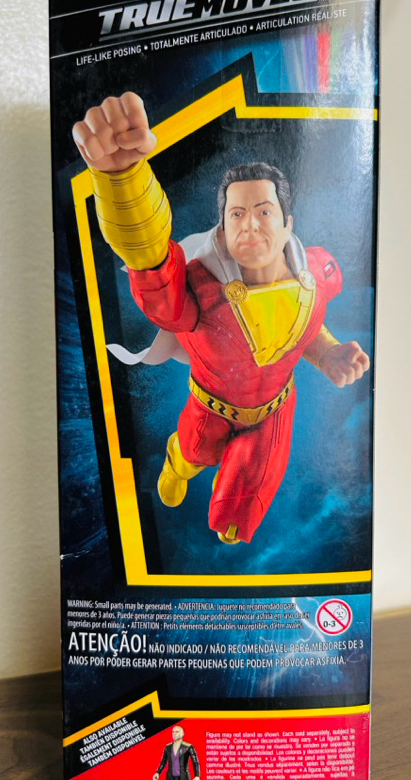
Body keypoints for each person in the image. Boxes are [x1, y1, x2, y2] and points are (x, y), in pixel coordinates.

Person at [73, 92, 370, 545]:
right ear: (223, 229)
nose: (250, 224)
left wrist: (329, 353)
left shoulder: (316, 275)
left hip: (273, 410)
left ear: (288, 224)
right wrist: (124, 182)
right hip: (209, 405)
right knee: (193, 452)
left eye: (264, 212)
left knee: (242, 502)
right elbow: (152, 266)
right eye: (237, 214)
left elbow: (304, 326)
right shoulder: (199, 288)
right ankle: (177, 462)